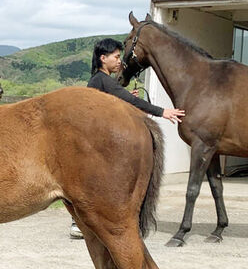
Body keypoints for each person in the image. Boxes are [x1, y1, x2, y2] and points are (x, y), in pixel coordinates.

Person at [69, 37, 185, 239]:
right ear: (103, 58)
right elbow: (129, 100)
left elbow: (115, 100)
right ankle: (79, 223)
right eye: (115, 57)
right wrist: (162, 111)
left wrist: (121, 96)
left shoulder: (101, 81)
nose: (119, 61)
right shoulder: (101, 80)